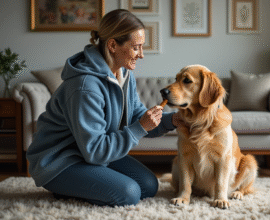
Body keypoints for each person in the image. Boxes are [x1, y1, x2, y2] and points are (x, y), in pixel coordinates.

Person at [27, 9, 184, 207]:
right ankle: (63, 188)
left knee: (149, 185)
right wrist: (140, 127)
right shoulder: (85, 87)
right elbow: (96, 150)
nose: (141, 55)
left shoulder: (124, 73)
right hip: (61, 161)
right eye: (136, 47)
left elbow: (136, 115)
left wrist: (172, 120)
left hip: (90, 155)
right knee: (130, 193)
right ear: (112, 45)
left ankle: (85, 185)